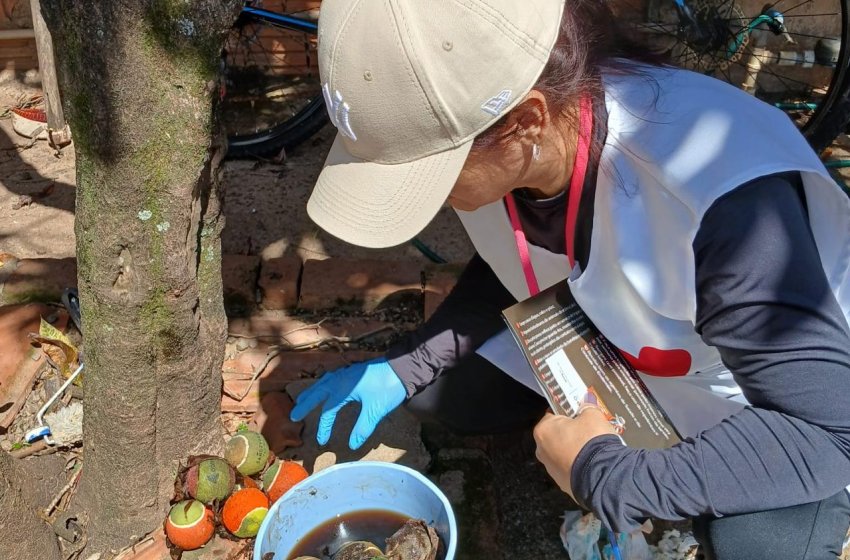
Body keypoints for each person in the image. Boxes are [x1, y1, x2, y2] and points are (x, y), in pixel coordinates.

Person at [289, 0, 850, 557]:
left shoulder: (719, 200)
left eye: (428, 172)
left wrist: (608, 477)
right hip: (635, 341)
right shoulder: (527, 132)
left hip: (763, 392)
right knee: (445, 397)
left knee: (759, 545)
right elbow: (513, 252)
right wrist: (408, 364)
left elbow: (830, 433)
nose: (426, 200)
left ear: (525, 120)